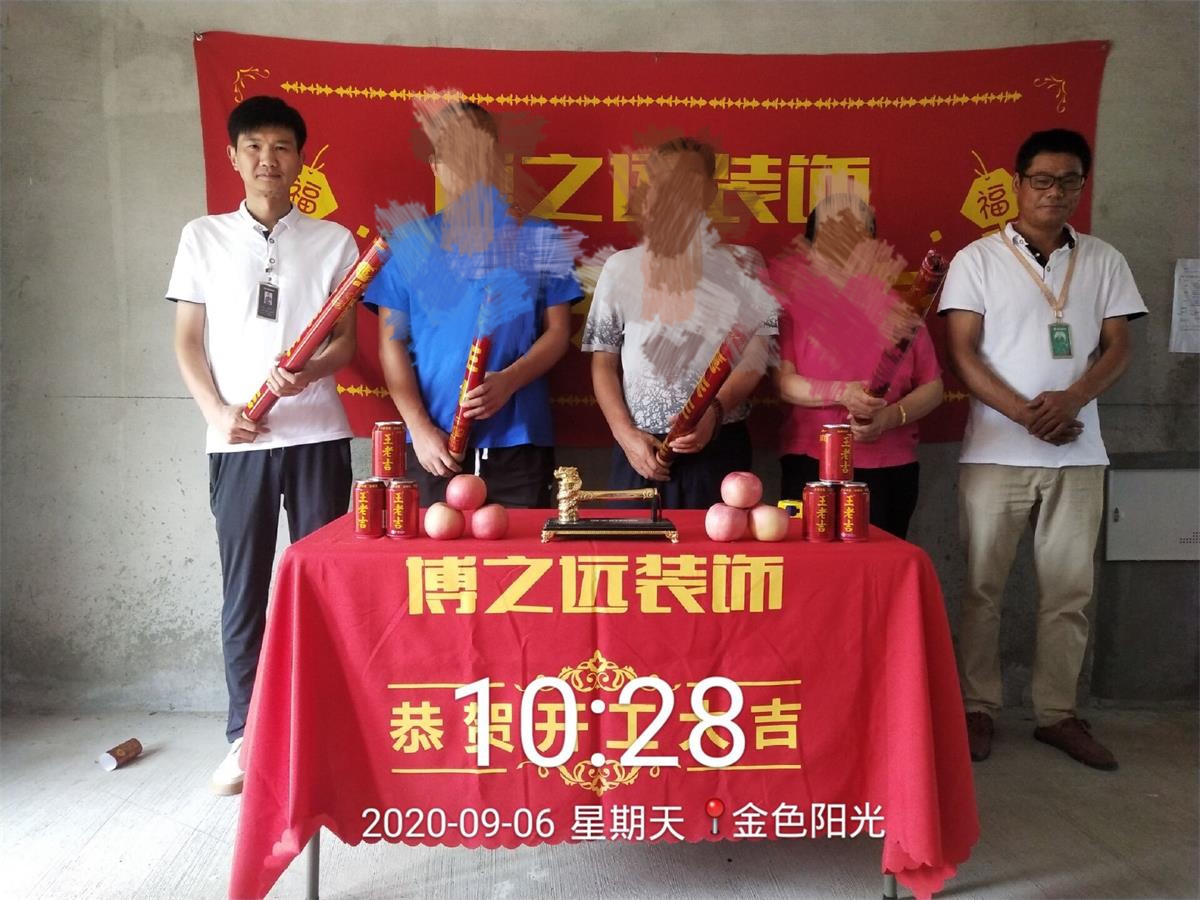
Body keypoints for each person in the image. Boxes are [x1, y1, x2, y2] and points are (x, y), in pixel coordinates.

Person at [168, 96, 359, 794]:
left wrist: (308, 371)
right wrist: (218, 412)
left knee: (323, 587)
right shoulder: (202, 237)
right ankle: (244, 737)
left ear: (300, 159)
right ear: (233, 157)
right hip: (237, 442)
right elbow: (187, 342)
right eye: (253, 147)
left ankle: (324, 727)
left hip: (318, 435)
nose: (266, 159)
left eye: (280, 147)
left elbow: (347, 344)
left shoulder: (335, 241)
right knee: (244, 589)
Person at [941, 128, 1147, 770]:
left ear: (1082, 186)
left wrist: (1072, 399)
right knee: (983, 589)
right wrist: (1025, 415)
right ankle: (978, 707)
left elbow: (1119, 345)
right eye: (1042, 180)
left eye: (1069, 181)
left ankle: (1058, 714)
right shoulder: (977, 259)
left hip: (1077, 453)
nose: (1055, 192)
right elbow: (962, 352)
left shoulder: (1105, 260)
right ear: (1017, 184)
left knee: (1068, 592)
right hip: (995, 451)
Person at [365, 102, 582, 508]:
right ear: (435, 166)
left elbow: (558, 333)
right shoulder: (407, 243)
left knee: (519, 549)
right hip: (433, 445)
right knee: (432, 552)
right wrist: (419, 428)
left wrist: (510, 380)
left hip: (518, 439)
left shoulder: (539, 237)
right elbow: (390, 346)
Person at [582, 137, 777, 509]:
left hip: (719, 445)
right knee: (630, 548)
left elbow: (756, 356)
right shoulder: (620, 268)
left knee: (719, 547)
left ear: (709, 191)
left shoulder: (747, 264)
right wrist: (625, 436)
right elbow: (603, 362)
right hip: (639, 450)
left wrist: (713, 412)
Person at [773, 196, 943, 539]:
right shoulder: (791, 310)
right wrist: (843, 393)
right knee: (810, 564)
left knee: (881, 565)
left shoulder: (904, 310)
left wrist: (889, 417)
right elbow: (783, 383)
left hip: (889, 467)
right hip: (811, 464)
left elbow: (933, 387)